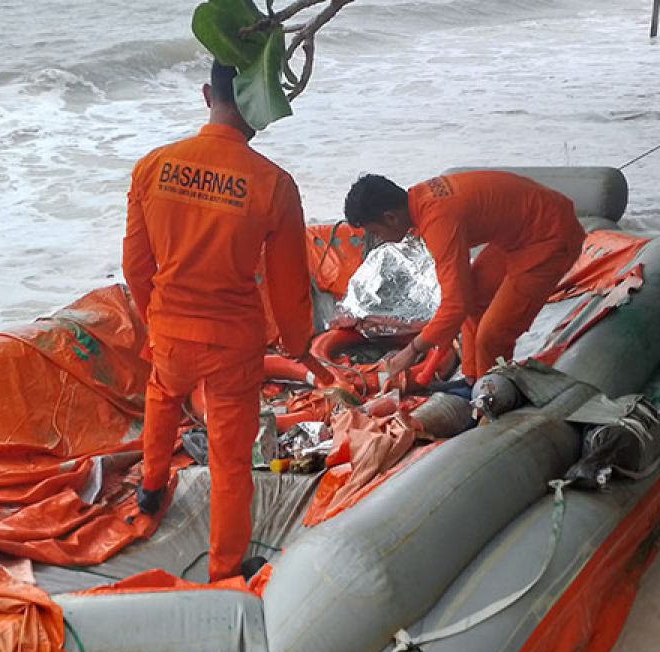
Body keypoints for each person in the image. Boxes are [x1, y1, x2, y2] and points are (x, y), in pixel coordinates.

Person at [122, 61, 332, 582]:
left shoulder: (153, 166)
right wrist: (299, 345)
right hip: (233, 341)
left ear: (205, 95)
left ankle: (150, 493)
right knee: (231, 460)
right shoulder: (273, 184)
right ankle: (224, 570)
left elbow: (135, 264)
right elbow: (288, 285)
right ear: (258, 107)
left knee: (162, 395)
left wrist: (156, 313)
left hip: (170, 327)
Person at [343, 171, 586, 387]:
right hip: (518, 234)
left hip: (550, 235)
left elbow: (454, 305)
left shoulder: (439, 220)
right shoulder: (419, 199)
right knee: (476, 294)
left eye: (375, 232)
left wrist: (412, 350)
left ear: (391, 218)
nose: (379, 239)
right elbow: (464, 298)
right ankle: (472, 379)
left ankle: (492, 400)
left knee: (492, 335)